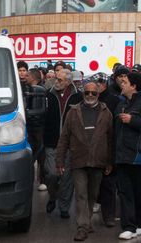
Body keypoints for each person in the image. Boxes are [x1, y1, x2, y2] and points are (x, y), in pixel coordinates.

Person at [56, 81, 113, 241]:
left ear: (98, 94)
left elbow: (110, 139)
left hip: (98, 161)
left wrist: (109, 162)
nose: (89, 95)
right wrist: (59, 161)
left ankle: (86, 222)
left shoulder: (106, 112)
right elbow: (64, 138)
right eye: (87, 92)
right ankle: (82, 227)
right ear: (82, 93)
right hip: (78, 160)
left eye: (93, 93)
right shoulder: (73, 112)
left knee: (92, 194)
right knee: (80, 194)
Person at [43, 68, 83, 219]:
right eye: (56, 79)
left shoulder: (78, 97)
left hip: (70, 144)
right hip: (51, 142)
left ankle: (64, 207)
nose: (56, 82)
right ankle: (53, 196)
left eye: (59, 80)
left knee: (67, 178)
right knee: (51, 174)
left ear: (68, 81)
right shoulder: (48, 95)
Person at [90, 72, 121, 227]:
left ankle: (109, 216)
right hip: (90, 147)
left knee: (108, 183)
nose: (97, 85)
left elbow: (116, 127)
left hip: (108, 146)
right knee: (91, 182)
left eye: (100, 83)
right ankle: (88, 214)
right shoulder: (88, 99)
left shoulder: (115, 101)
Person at [114, 72, 141, 240]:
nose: (121, 85)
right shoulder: (120, 104)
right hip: (121, 155)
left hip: (137, 156)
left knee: (138, 192)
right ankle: (129, 226)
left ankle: (138, 225)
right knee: (125, 192)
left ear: (134, 86)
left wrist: (132, 120)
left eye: (124, 82)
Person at [25, 68, 47, 191]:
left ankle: (43, 179)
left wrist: (28, 115)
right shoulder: (28, 89)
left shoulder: (38, 91)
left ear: (33, 77)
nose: (25, 76)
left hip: (37, 127)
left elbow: (39, 112)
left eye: (27, 75)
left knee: (40, 153)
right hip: (32, 126)